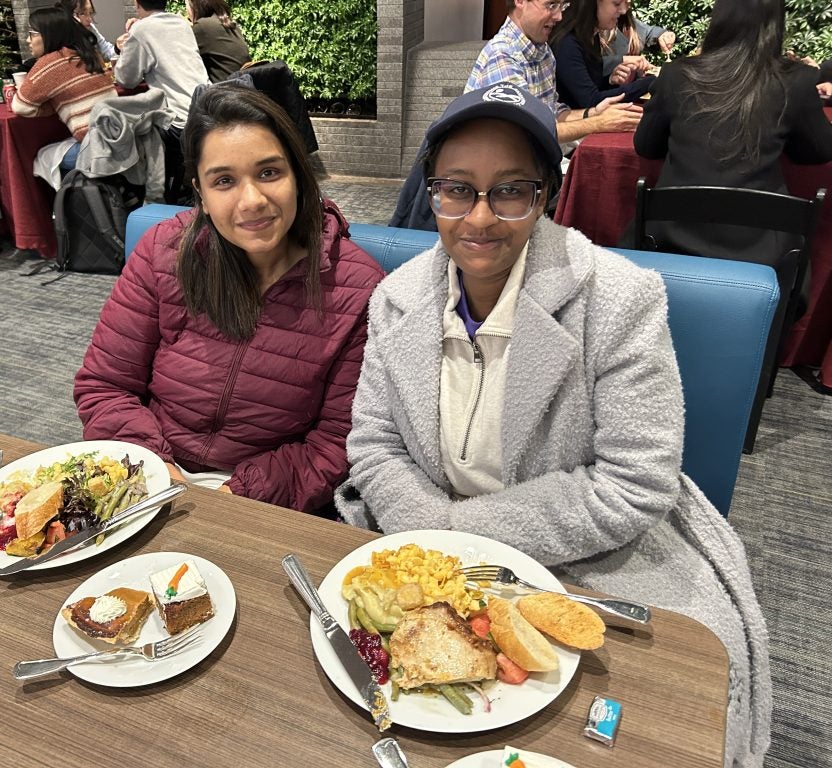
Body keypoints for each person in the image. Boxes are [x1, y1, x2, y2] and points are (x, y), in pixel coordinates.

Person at [336, 82, 770, 767]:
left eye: (511, 191)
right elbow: (374, 444)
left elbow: (634, 485)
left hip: (588, 551)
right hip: (424, 537)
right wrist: (430, 535)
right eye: (457, 189)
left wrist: (459, 536)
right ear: (431, 192)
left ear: (547, 194)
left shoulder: (619, 300)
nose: (479, 218)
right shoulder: (395, 299)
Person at [74, 84, 384, 514]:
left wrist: (237, 497)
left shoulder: (358, 286)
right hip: (149, 470)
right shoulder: (165, 250)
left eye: (269, 173)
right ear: (200, 193)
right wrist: (154, 467)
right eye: (224, 181)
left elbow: (335, 440)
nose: (252, 200)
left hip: (269, 500)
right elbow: (106, 385)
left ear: (298, 175)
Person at [634, 0, 832, 265]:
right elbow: (818, 151)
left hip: (667, 246)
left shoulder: (675, 75)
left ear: (718, 20)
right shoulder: (797, 81)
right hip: (765, 259)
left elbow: (646, 146)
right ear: (776, 25)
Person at [465, 0, 642, 144]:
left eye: (561, 6)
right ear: (520, 2)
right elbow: (526, 132)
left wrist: (594, 112)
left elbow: (552, 112)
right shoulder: (503, 55)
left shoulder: (543, 51)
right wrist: (598, 123)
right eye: (551, 5)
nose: (559, 16)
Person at [12, 6, 115, 174]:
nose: (27, 40)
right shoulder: (89, 54)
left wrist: (52, 108)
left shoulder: (49, 63)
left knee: (41, 157)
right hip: (121, 140)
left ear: (47, 34)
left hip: (97, 149)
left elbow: (20, 107)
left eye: (32, 33)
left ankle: (72, 198)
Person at [113, 0, 208, 132]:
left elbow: (125, 80)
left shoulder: (140, 29)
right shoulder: (181, 23)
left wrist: (125, 47)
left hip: (181, 121)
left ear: (136, 3)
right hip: (209, 109)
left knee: (130, 128)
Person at [550, 0, 654, 109]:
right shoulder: (567, 44)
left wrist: (610, 81)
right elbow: (592, 101)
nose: (623, 11)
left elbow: (590, 88)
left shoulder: (590, 36)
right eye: (617, 4)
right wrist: (651, 82)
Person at [599, 0, 674, 81]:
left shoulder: (626, 21)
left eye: (628, 3)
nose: (623, 10)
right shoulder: (590, 30)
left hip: (633, 88)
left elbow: (648, 32)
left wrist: (661, 35)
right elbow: (589, 65)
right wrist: (622, 60)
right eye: (617, 3)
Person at [186, 0, 251, 83]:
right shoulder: (230, 25)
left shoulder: (203, 26)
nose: (186, 12)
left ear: (195, 6)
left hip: (226, 91)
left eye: (187, 5)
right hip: (244, 87)